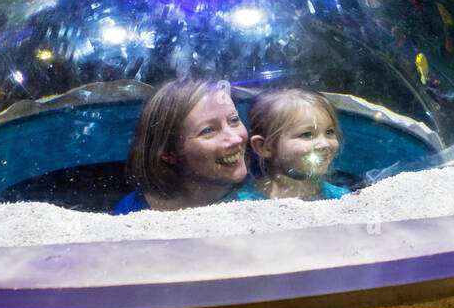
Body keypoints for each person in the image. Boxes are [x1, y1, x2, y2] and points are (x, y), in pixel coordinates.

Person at [114, 77, 249, 213]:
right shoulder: (132, 213)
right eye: (208, 130)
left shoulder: (261, 191)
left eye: (234, 120)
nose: (235, 139)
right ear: (168, 153)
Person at [233, 89, 349, 201]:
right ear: (264, 147)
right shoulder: (239, 204)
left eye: (329, 132)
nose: (324, 144)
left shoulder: (343, 198)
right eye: (307, 134)